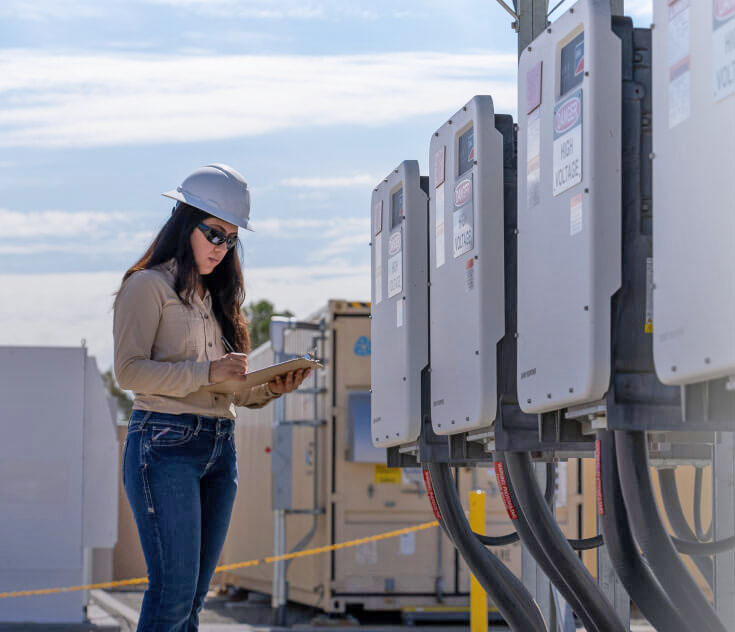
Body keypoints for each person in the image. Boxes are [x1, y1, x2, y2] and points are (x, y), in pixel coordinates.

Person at [112, 164, 309, 631]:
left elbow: (222, 388)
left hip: (220, 447)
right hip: (164, 444)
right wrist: (206, 370)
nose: (223, 248)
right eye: (214, 234)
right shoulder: (146, 286)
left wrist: (267, 390)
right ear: (185, 223)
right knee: (173, 596)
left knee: (194, 601)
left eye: (231, 239)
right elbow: (128, 370)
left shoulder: (217, 298)